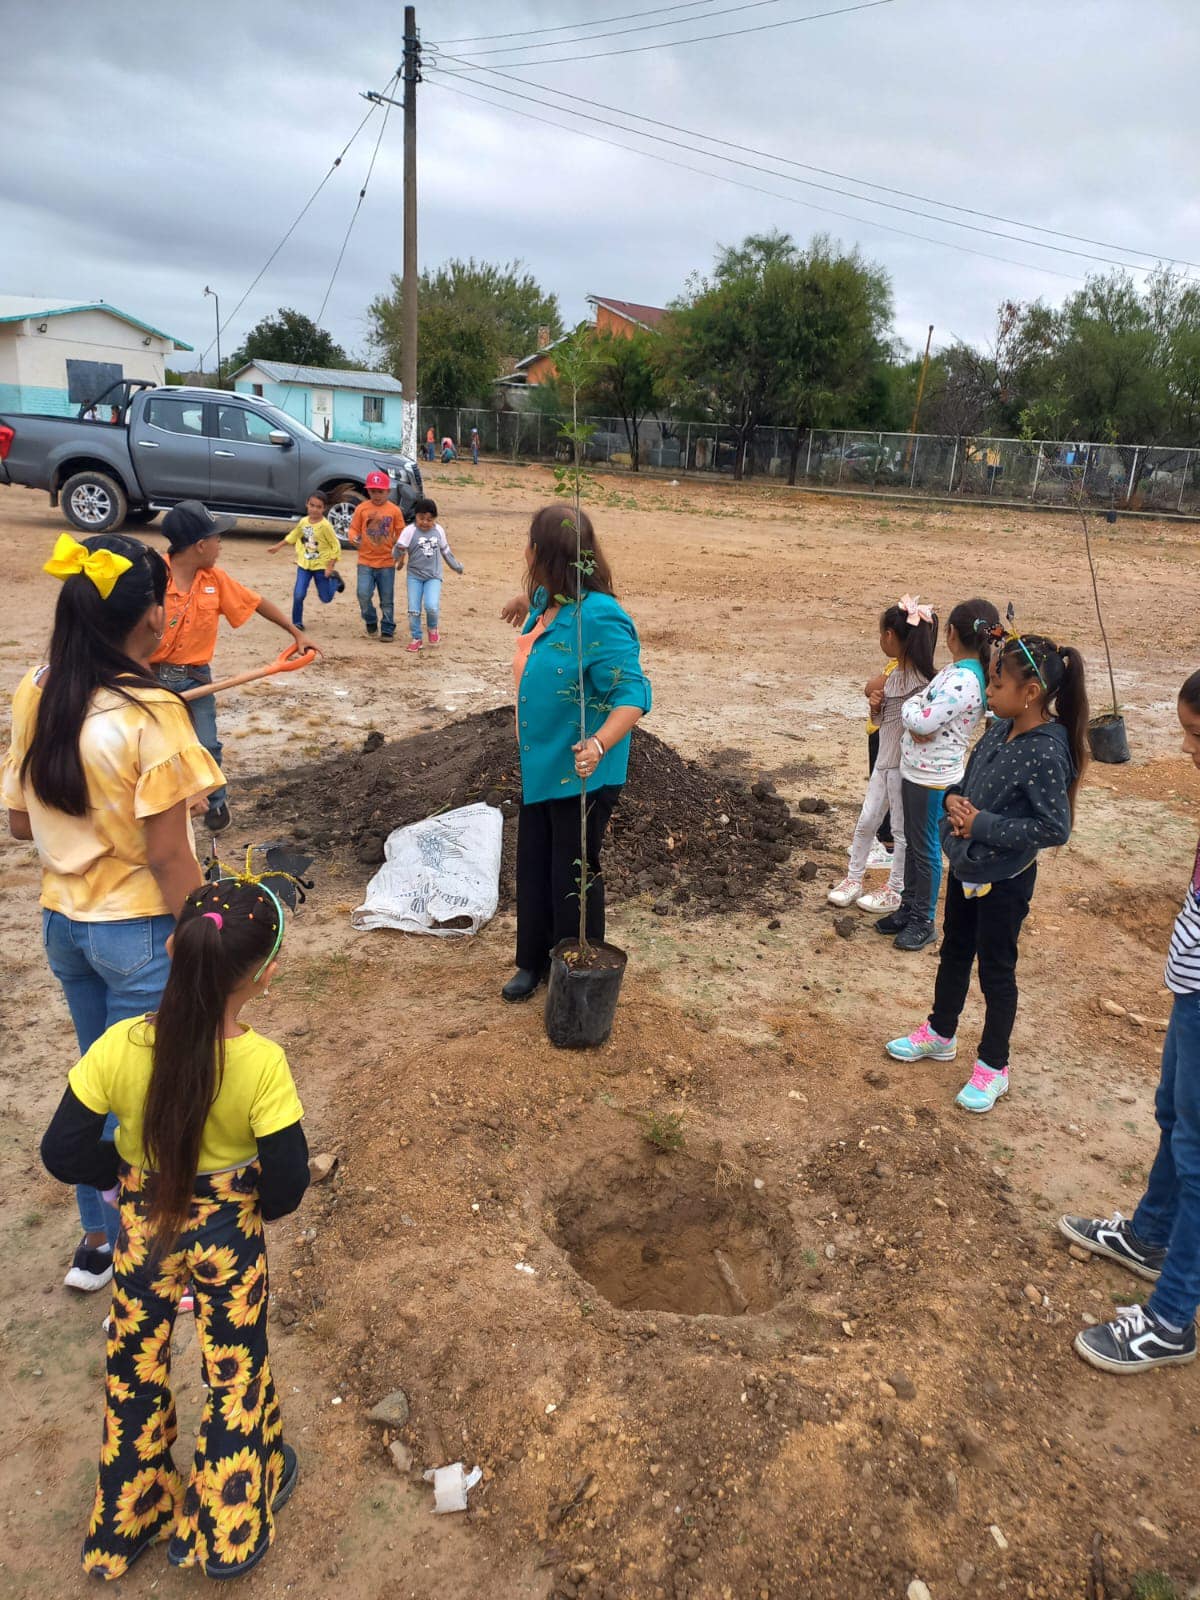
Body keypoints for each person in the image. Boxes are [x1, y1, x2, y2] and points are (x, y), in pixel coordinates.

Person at [40, 875, 309, 1579]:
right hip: (229, 1240)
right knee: (234, 1369)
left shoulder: (118, 1047)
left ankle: (134, 1514)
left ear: (171, 948)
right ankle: (225, 1529)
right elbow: (287, 1183)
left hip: (142, 1226)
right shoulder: (263, 1066)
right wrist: (245, 1199)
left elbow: (61, 1150)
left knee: (135, 1363)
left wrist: (121, 1170)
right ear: (265, 976)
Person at [3, 533, 221, 1293]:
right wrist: (205, 940)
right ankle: (150, 1263)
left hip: (64, 925)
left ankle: (97, 1245)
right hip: (139, 933)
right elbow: (167, 856)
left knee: (98, 1080)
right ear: (152, 615)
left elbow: (21, 823)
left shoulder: (35, 686)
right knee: (153, 1099)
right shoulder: (151, 709)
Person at [1060, 670, 1200, 1374]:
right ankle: (1150, 1236)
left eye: (1197, 735)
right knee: (1173, 1113)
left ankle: (1172, 1320)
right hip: (1191, 983)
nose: (1187, 749)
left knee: (1198, 1153)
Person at [885, 627, 1088, 1112]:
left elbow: (1053, 827)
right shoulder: (999, 729)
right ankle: (941, 1032)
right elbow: (970, 782)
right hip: (966, 867)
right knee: (954, 950)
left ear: (1030, 692)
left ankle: (994, 1066)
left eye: (997, 685)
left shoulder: (1046, 750)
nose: (988, 693)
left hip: (1005, 881)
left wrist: (982, 824)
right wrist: (953, 800)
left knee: (996, 971)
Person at [499, 506, 652, 1002]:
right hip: (540, 763)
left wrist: (599, 743)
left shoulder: (601, 617)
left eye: (529, 543)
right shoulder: (552, 599)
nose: (524, 551)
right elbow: (543, 603)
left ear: (544, 553)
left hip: (581, 770)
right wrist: (525, 600)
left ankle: (575, 970)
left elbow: (632, 694)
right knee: (534, 864)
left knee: (573, 871)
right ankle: (532, 962)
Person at [152, 501, 318, 834]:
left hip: (196, 679)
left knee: (207, 745)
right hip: (151, 680)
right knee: (156, 751)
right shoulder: (151, 577)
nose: (221, 545)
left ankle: (215, 803)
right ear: (201, 545)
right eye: (217, 539)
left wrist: (296, 632)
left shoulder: (215, 580)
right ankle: (160, 809)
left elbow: (256, 602)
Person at [879, 597, 999, 952]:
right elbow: (924, 716)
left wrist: (913, 708)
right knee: (915, 842)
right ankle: (909, 907)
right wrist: (919, 713)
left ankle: (923, 919)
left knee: (926, 847)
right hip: (922, 770)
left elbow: (922, 720)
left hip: (932, 777)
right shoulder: (961, 673)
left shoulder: (962, 679)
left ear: (950, 634)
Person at [827, 596, 938, 916]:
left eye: (881, 634)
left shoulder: (923, 684)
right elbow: (883, 722)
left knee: (900, 831)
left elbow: (921, 728)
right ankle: (853, 878)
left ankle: (895, 887)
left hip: (905, 768)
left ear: (890, 636)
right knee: (867, 820)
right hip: (885, 764)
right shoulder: (895, 678)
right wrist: (876, 708)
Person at [393, 496, 463, 653]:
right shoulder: (409, 531)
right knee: (413, 609)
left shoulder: (439, 531)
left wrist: (456, 566)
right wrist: (396, 557)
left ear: (435, 519)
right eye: (421, 518)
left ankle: (432, 628)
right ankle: (416, 638)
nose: (425, 522)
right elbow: (399, 548)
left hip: (433, 576)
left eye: (429, 519)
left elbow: (446, 552)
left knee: (431, 606)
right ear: (415, 517)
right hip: (414, 576)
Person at [267, 491, 343, 630]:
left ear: (324, 508)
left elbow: (335, 546)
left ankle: (335, 581)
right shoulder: (303, 522)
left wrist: (330, 567)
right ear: (307, 504)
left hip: (321, 566)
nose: (314, 509)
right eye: (312, 505)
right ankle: (297, 622)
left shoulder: (325, 526)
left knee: (326, 598)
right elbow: (294, 535)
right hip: (304, 565)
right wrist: (278, 546)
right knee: (299, 594)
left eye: (318, 507)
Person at [347, 470, 403, 641]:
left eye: (380, 491)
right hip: (365, 561)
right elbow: (353, 529)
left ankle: (387, 628)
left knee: (387, 599)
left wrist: (400, 552)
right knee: (363, 594)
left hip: (386, 562)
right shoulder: (362, 509)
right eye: (373, 491)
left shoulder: (394, 511)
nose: (376, 495)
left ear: (388, 491)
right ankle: (370, 619)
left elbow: (402, 533)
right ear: (368, 491)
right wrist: (353, 538)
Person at [864, 656, 898, 874]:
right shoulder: (899, 664)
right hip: (882, 731)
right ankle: (885, 838)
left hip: (887, 735)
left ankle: (888, 844)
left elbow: (870, 688)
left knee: (885, 788)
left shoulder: (902, 668)